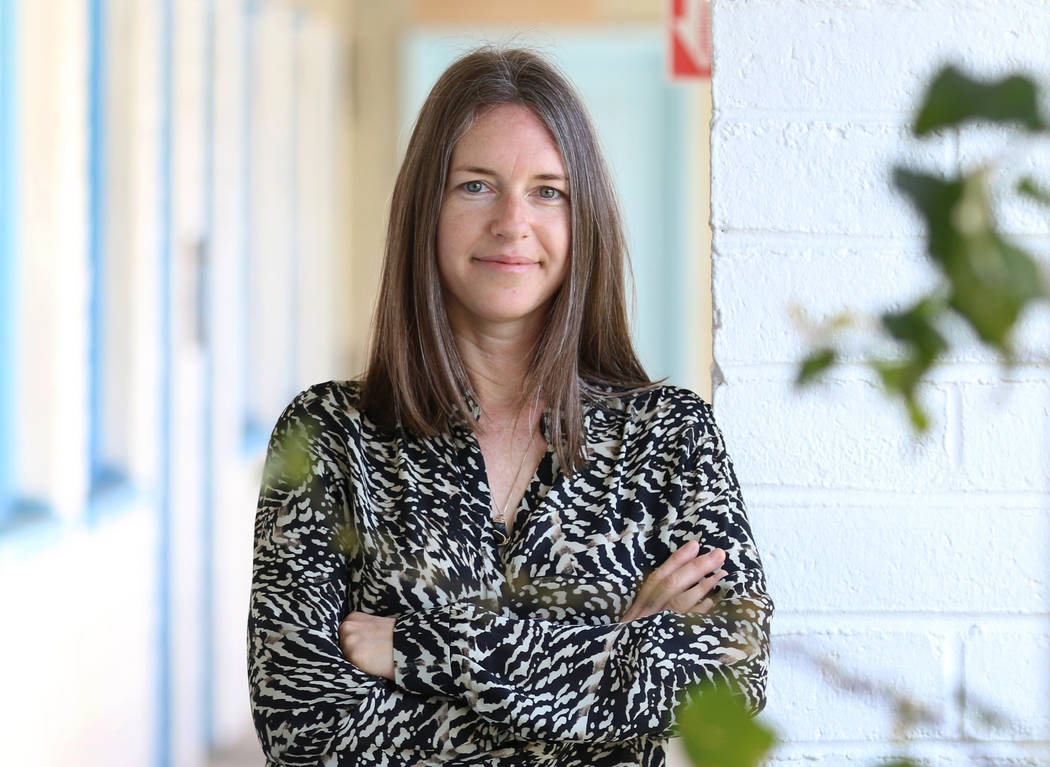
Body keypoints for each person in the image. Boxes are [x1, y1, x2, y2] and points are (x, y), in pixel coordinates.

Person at [248, 46, 772, 766]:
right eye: (475, 186)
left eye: (548, 191)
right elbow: (305, 734)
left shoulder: (670, 436)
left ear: (583, 217)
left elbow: (729, 682)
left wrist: (422, 648)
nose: (512, 221)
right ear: (424, 208)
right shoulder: (330, 437)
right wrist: (615, 649)